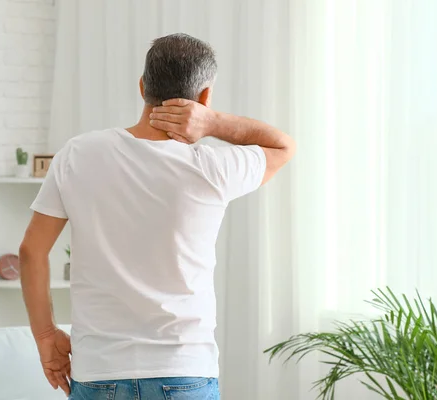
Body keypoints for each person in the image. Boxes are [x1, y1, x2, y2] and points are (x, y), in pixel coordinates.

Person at [19, 33, 295, 400]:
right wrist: (213, 123)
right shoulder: (213, 167)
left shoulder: (78, 154)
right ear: (205, 98)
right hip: (185, 372)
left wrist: (45, 336)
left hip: (99, 372)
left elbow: (31, 252)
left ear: (142, 86)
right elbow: (283, 146)